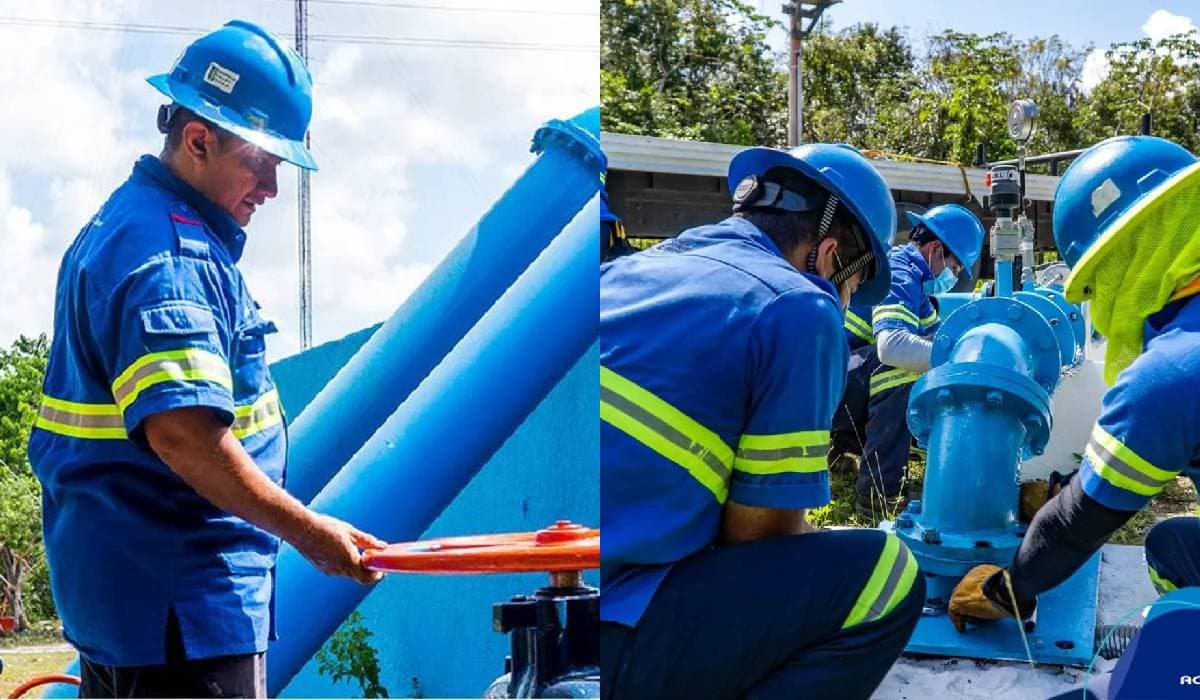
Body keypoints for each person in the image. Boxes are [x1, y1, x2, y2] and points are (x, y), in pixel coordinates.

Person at [29, 21, 384, 698]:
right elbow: (183, 435)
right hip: (180, 610)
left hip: (135, 602)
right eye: (263, 162)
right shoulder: (169, 256)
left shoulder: (126, 226)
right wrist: (311, 534)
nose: (273, 189)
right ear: (198, 140)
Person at [600, 143, 924, 699]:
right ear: (827, 257)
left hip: (553, 608)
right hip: (619, 629)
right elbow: (758, 536)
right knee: (889, 572)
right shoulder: (799, 306)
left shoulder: (625, 271)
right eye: (851, 287)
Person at [947, 135, 1200, 649]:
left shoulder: (1171, 372)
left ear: (1121, 263)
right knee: (1175, 543)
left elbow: (1078, 522)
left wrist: (1008, 588)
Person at [830, 204, 985, 519]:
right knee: (900, 369)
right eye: (955, 268)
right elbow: (893, 348)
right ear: (936, 249)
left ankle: (836, 450)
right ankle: (877, 494)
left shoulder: (915, 285)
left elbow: (933, 340)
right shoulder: (899, 272)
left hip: (839, 385)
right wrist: (960, 360)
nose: (953, 277)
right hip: (830, 390)